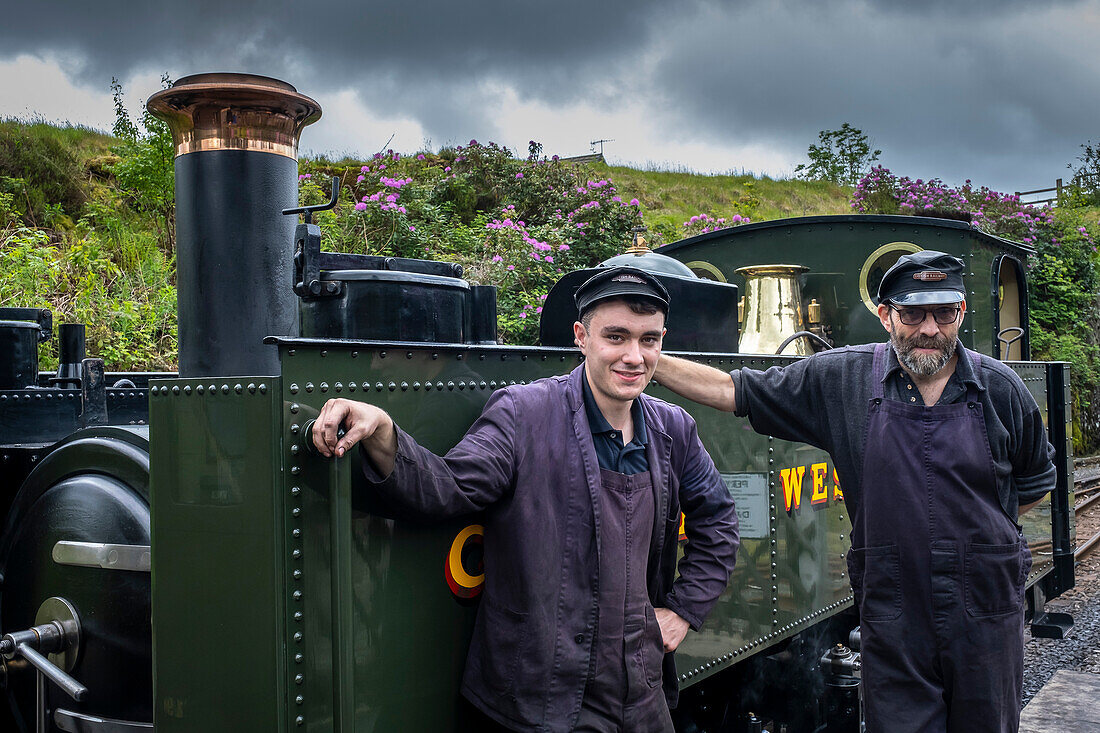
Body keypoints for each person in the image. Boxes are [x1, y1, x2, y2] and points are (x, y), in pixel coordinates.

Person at [312, 266, 740, 732]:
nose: (634, 356)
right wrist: (383, 430)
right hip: (537, 696)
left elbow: (718, 522)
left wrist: (683, 611)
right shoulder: (523, 413)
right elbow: (446, 488)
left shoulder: (673, 428)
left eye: (648, 339)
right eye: (615, 337)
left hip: (638, 693)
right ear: (581, 336)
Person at [652, 251, 1055, 733]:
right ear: (886, 315)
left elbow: (1033, 484)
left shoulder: (1001, 389)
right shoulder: (841, 377)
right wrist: (647, 359)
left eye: (943, 313)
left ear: (961, 312)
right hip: (893, 611)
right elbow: (733, 391)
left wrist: (978, 545)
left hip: (985, 610)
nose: (930, 328)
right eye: (913, 314)